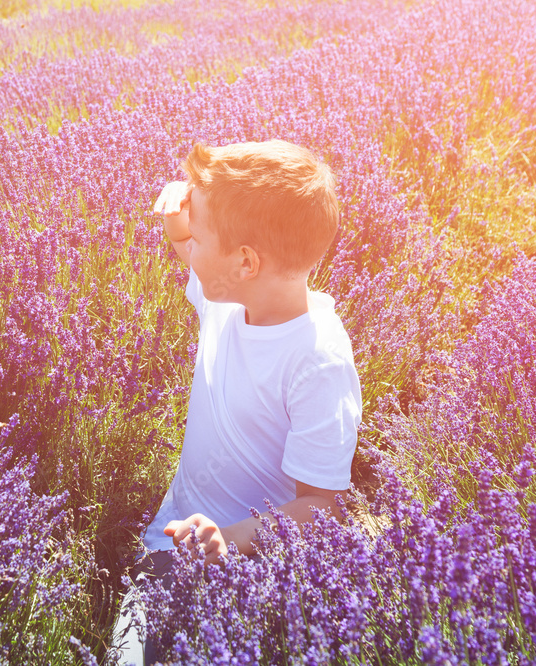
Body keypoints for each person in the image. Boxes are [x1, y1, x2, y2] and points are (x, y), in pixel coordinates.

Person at [112, 140, 362, 665]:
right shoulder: (227, 296)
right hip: (172, 544)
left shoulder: (317, 364)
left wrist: (227, 538)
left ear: (246, 261)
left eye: (200, 240)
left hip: (254, 564)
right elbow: (186, 242)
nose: (186, 250)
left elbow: (323, 507)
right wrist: (183, 217)